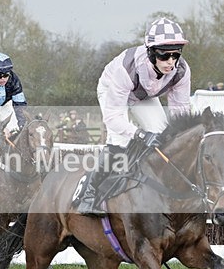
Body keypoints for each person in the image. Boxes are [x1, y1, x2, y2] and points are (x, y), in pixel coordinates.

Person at [77, 17, 191, 216]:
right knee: (120, 138)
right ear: (151, 52)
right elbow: (113, 118)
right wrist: (139, 134)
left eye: (175, 55)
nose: (171, 62)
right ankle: (89, 193)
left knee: (161, 133)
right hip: (113, 89)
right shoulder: (127, 68)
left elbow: (181, 111)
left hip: (143, 95)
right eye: (164, 56)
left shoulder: (181, 71)